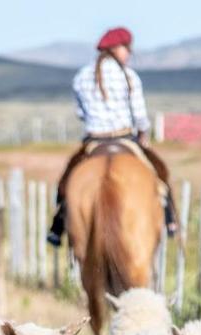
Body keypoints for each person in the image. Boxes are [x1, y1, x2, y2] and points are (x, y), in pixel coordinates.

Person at [47, 26, 176, 246]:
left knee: (66, 183)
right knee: (159, 175)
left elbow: (80, 113)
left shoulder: (81, 77)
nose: (128, 53)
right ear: (116, 48)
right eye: (127, 48)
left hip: (93, 141)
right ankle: (169, 217)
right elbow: (140, 115)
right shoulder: (129, 76)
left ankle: (58, 225)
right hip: (125, 137)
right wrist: (143, 134)